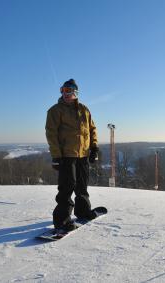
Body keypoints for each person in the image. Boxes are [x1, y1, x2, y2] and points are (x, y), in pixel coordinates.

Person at [45, 79, 99, 232]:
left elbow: (92, 129)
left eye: (68, 91)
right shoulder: (55, 110)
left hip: (83, 154)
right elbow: (51, 134)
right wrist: (56, 156)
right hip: (66, 155)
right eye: (62, 90)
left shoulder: (84, 109)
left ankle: (82, 211)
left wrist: (94, 148)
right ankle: (62, 220)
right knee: (67, 187)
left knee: (82, 185)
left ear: (75, 92)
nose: (65, 94)